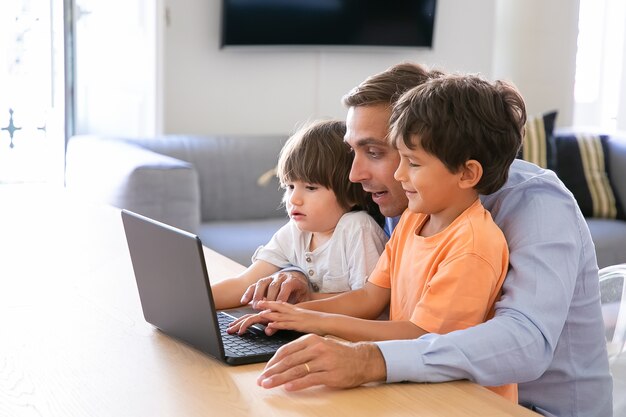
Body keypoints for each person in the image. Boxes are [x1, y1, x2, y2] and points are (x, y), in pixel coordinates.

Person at [246, 63, 612, 417]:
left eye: (376, 152)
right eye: (352, 152)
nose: (354, 174)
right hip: (429, 392)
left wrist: (370, 359)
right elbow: (366, 278)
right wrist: (297, 279)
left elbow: (525, 342)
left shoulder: (535, 204)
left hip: (528, 408)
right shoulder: (411, 204)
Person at [228, 74, 523, 401]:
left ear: (468, 173)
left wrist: (315, 319)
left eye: (413, 163)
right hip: (412, 384)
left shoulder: (473, 245)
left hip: (462, 400)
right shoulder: (413, 218)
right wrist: (297, 312)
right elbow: (370, 297)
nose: (399, 174)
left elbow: (418, 336)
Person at [211, 119, 387, 310]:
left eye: (311, 187)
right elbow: (243, 284)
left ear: (351, 192)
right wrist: (192, 305)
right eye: (290, 186)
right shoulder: (294, 232)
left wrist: (300, 303)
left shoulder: (357, 228)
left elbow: (366, 303)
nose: (294, 199)